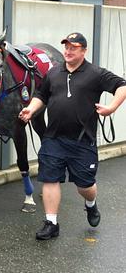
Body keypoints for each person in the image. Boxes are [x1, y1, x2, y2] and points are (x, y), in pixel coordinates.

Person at [18, 32, 126, 240]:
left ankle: (91, 205)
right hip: (54, 138)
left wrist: (111, 108)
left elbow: (122, 86)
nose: (67, 51)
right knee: (49, 179)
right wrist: (31, 110)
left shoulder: (95, 73)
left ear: (83, 51)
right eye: (66, 47)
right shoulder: (53, 73)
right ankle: (51, 223)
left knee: (84, 186)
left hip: (82, 141)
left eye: (73, 48)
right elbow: (42, 95)